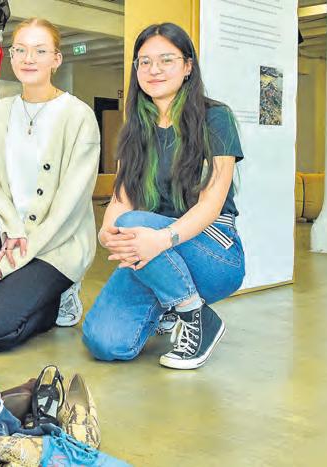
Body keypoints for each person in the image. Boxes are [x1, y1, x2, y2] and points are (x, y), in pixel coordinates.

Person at [82, 23, 245, 370]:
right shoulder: (135, 128)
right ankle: (169, 304)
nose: (154, 69)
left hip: (213, 250)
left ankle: (195, 314)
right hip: (154, 251)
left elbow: (212, 203)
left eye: (166, 60)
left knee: (133, 222)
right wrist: (108, 232)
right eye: (145, 62)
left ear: (187, 67)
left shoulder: (216, 118)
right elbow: (121, 198)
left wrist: (162, 238)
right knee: (103, 342)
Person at [0, 18, 100, 353]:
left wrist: (16, 257)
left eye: (40, 51)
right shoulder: (1, 111)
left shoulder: (78, 116)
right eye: (20, 50)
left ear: (56, 59)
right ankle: (1, 295)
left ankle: (56, 299)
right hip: (10, 233)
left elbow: (69, 207)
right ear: (11, 56)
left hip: (56, 244)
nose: (28, 58)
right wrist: (12, 230)